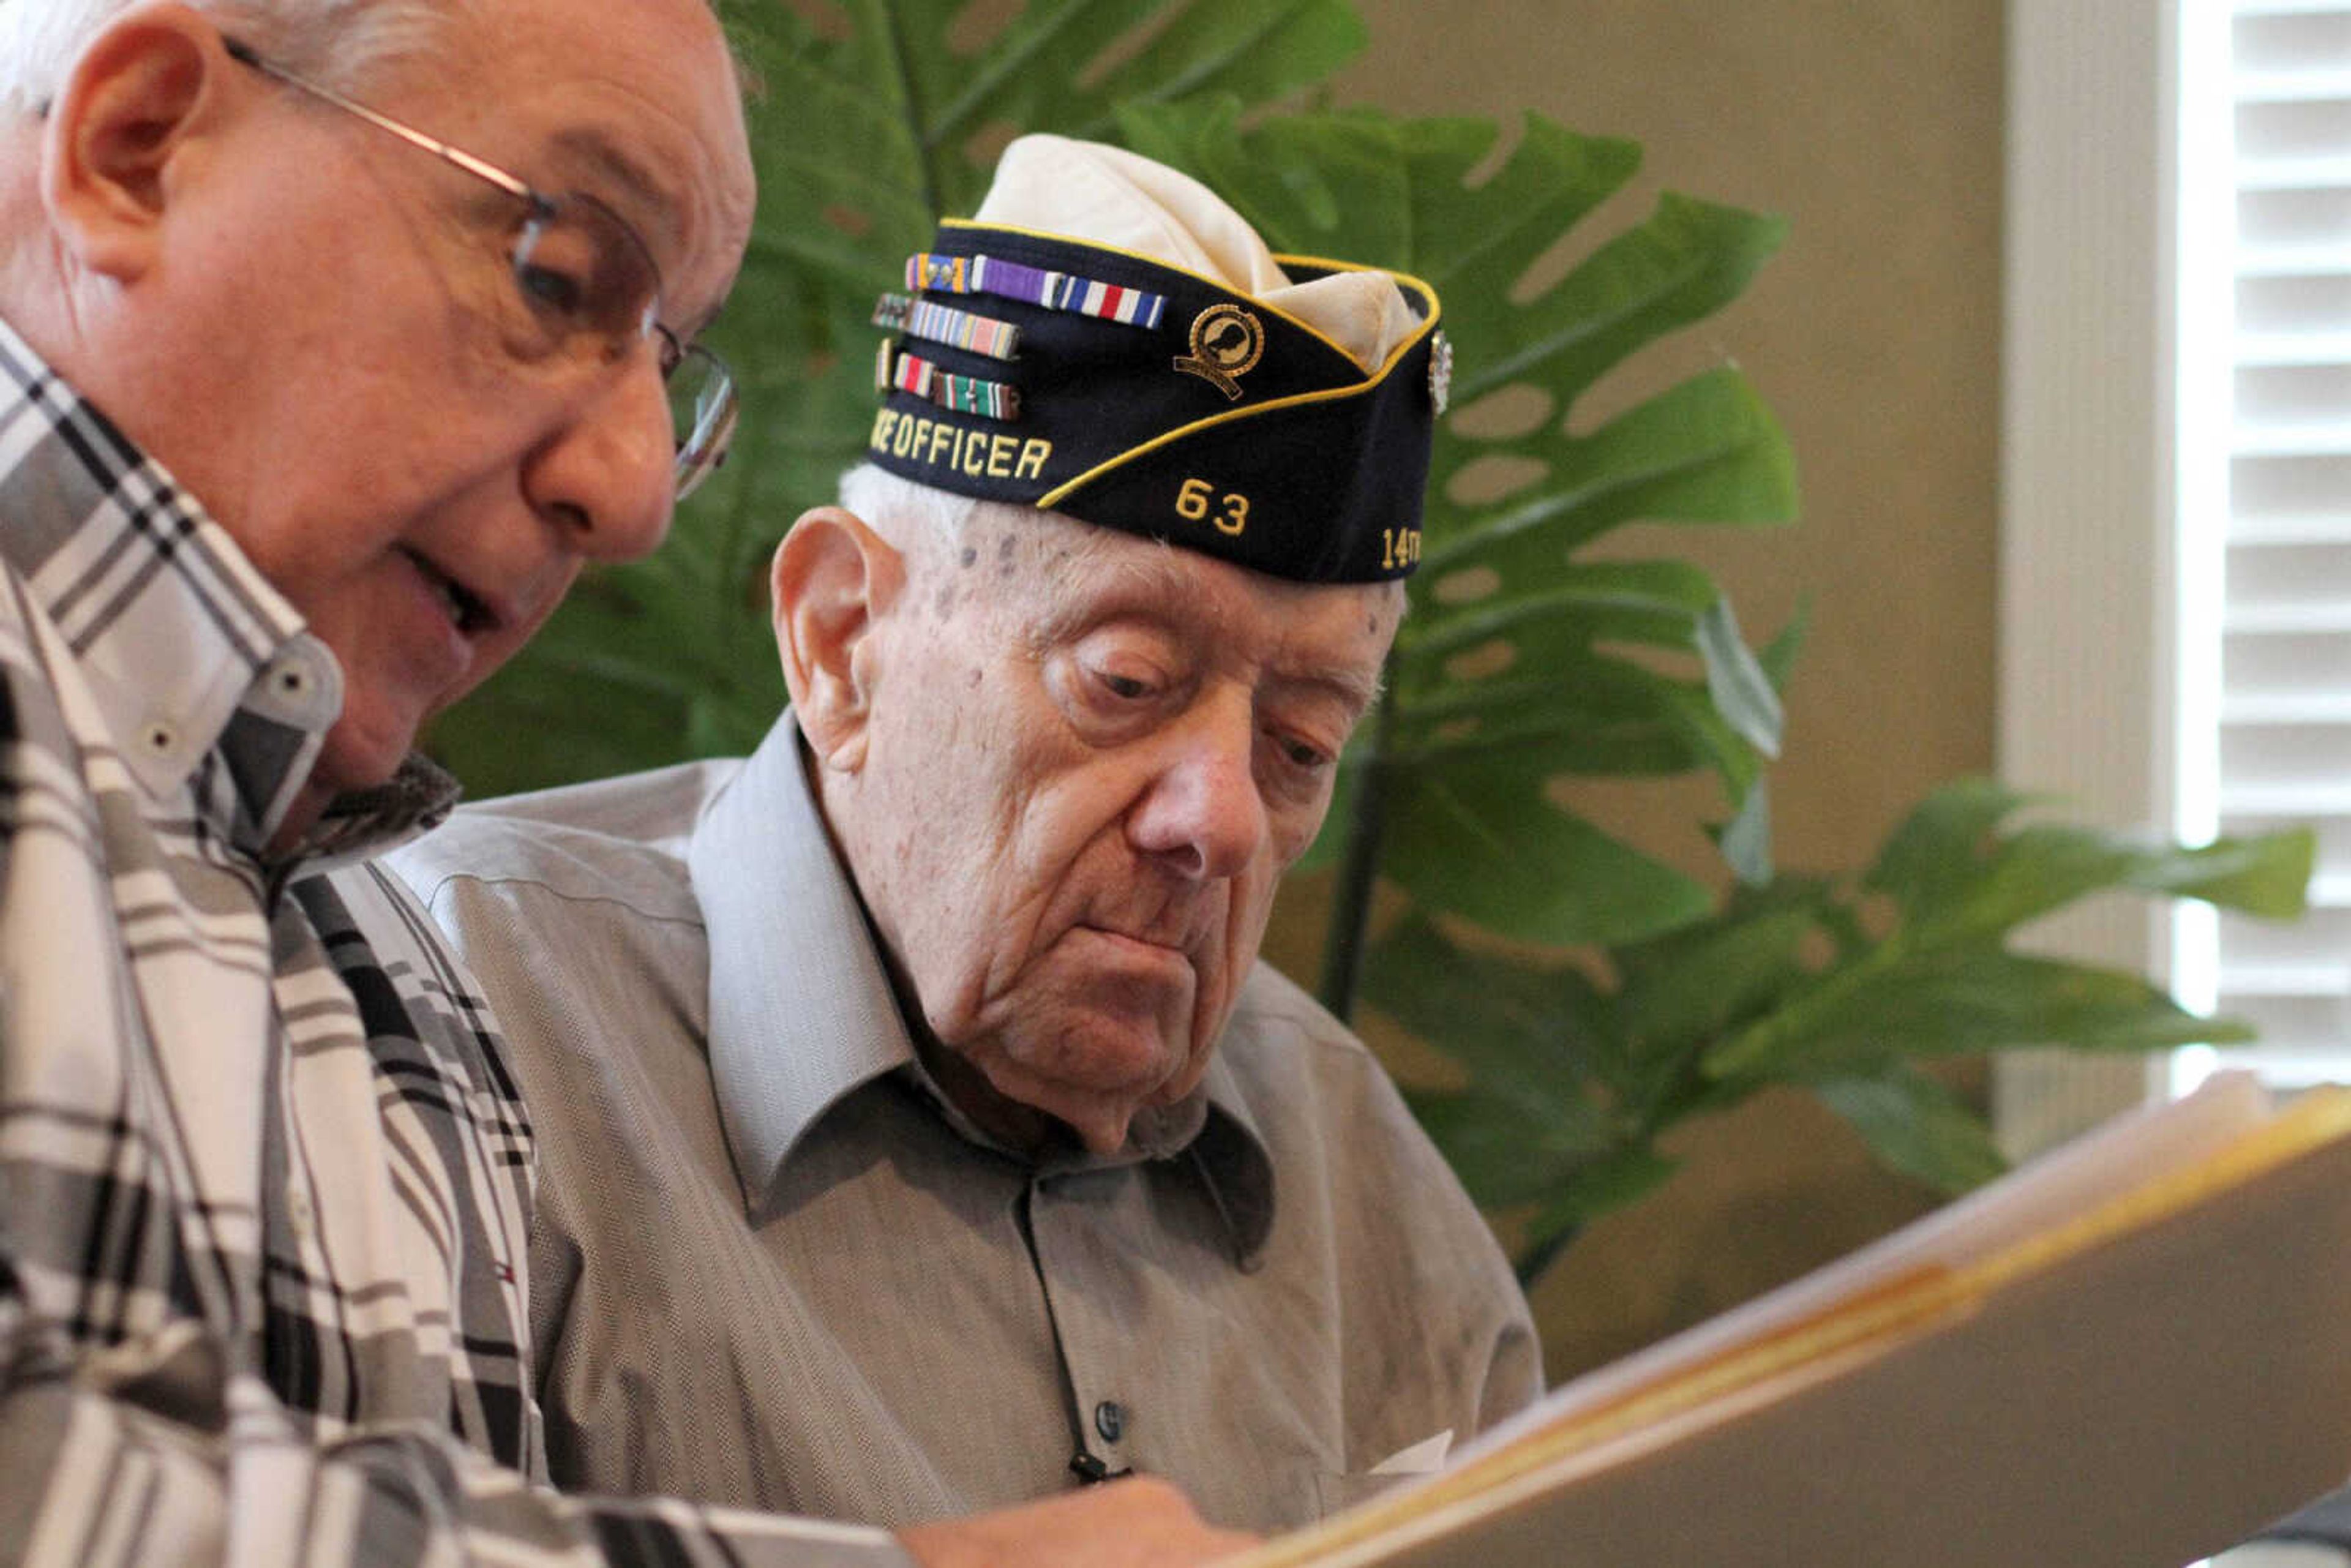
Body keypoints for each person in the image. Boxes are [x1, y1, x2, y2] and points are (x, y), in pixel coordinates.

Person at [0, 4, 1246, 1564]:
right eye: (556, 277)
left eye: (668, 370)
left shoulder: (385, 987)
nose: (635, 494)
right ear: (135, 149)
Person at [388, 135, 1543, 1534]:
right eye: (1125, 684)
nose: (1223, 818)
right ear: (842, 642)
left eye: (1299, 746)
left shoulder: (1354, 1170)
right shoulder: (458, 1027)